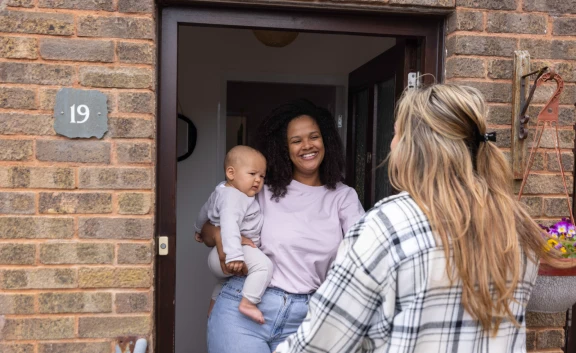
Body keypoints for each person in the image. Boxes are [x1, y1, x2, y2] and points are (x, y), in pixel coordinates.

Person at [275, 84, 551, 353]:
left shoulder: (387, 226)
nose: (391, 143)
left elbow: (320, 343)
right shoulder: (516, 225)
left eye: (396, 134)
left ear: (414, 146)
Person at [199, 99, 365, 353]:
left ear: (326, 141)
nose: (307, 146)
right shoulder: (261, 188)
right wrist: (223, 237)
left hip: (308, 320)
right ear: (283, 148)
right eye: (296, 140)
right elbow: (207, 231)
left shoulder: (344, 197)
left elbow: (365, 255)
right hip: (243, 310)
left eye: (314, 137)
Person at [194, 145, 271, 324]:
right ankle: (248, 303)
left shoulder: (221, 190)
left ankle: (213, 307)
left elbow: (204, 211)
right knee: (264, 267)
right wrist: (234, 256)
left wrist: (198, 229)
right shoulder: (235, 197)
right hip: (231, 252)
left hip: (222, 254)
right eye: (252, 174)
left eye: (262, 176)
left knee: (224, 282)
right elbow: (228, 225)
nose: (258, 180)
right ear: (231, 173)